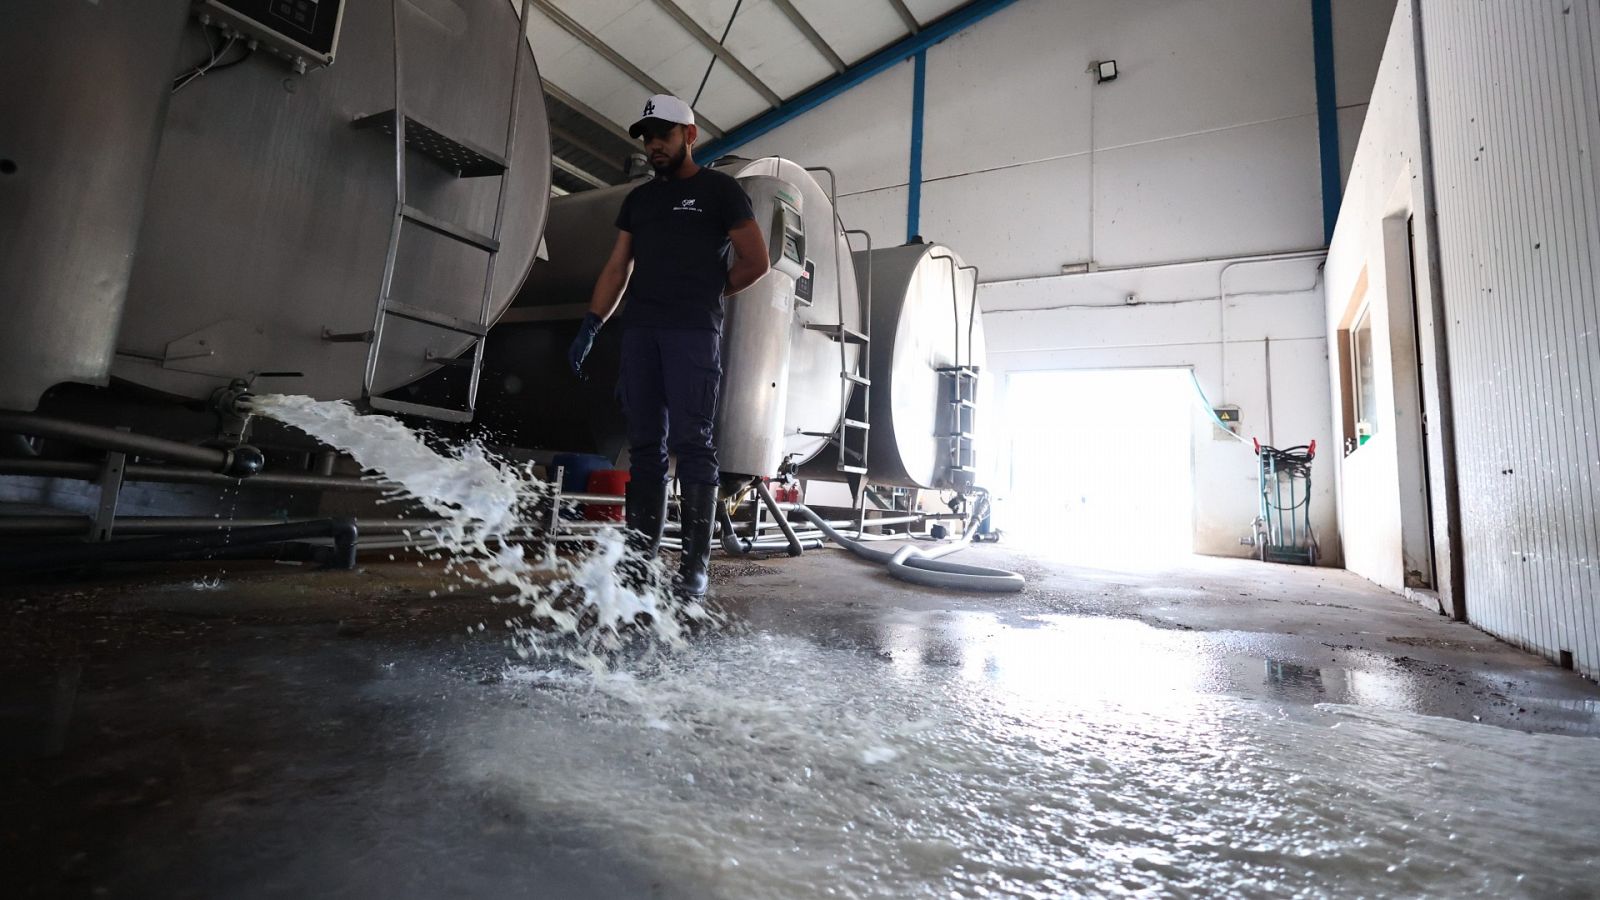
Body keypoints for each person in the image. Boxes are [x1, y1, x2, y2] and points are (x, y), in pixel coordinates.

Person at [568, 94, 770, 600]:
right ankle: (639, 563)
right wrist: (593, 322)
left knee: (692, 442)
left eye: (664, 134)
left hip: (692, 333)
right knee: (644, 448)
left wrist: (709, 291)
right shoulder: (639, 200)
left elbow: (756, 260)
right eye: (647, 137)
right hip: (640, 332)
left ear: (690, 135)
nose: (654, 144)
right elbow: (619, 267)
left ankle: (694, 567)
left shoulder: (720, 191)